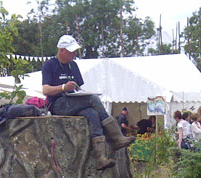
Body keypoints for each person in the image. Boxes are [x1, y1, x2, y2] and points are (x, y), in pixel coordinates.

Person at [42, 34, 134, 170]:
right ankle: (116, 137)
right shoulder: (49, 65)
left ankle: (100, 158)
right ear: (62, 50)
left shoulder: (73, 65)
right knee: (93, 99)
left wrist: (80, 91)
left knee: (91, 113)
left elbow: (78, 87)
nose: (74, 54)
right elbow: (45, 90)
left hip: (73, 101)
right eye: (71, 51)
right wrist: (62, 87)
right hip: (58, 104)